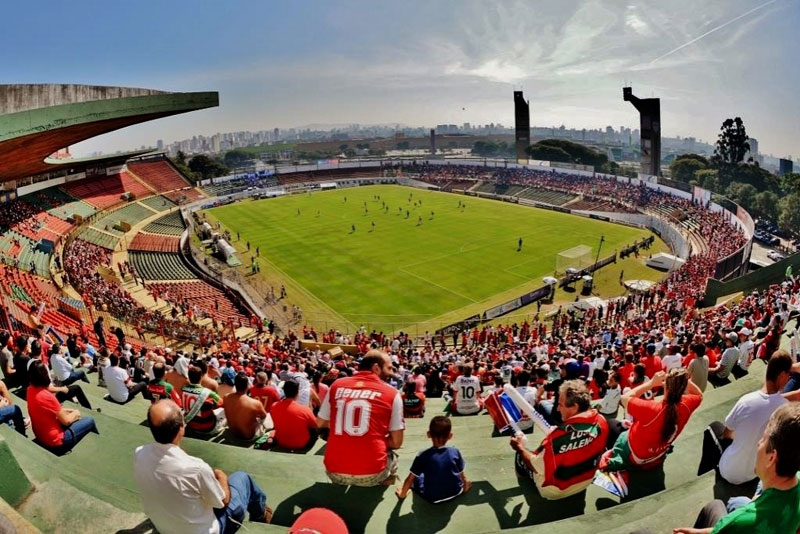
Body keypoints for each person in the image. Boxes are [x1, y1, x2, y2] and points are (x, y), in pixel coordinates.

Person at [134, 400, 272, 534]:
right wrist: (221, 476)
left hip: (164, 527)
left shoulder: (139, 453)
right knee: (243, 478)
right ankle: (261, 516)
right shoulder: (196, 468)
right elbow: (222, 501)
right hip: (208, 529)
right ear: (181, 428)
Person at [673, 403, 800, 534]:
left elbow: (727, 528)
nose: (759, 443)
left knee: (715, 506)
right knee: (738, 501)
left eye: (763, 439)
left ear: (771, 458)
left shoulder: (741, 521)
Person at [698, 350, 795, 484]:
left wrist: (742, 435)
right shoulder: (785, 409)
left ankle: (703, 473)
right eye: (789, 374)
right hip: (755, 474)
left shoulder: (746, 401)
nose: (789, 378)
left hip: (729, 472)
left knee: (713, 427)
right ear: (782, 375)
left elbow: (727, 433)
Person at [317, 350, 404, 487]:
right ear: (376, 368)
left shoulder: (336, 385)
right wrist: (372, 440)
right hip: (372, 475)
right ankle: (384, 482)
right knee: (393, 457)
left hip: (334, 472)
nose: (392, 372)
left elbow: (321, 423)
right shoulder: (392, 393)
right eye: (389, 368)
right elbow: (397, 442)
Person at [510, 380, 608, 500]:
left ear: (575, 407)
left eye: (560, 404)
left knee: (521, 455)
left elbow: (535, 465)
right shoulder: (602, 421)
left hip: (557, 491)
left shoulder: (557, 438)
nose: (557, 409)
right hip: (586, 482)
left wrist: (519, 448)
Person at [602, 369, 702, 472]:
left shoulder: (652, 409)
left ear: (665, 386)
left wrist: (651, 383)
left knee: (611, 423)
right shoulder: (687, 405)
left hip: (636, 456)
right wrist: (683, 380)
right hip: (657, 454)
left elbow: (624, 398)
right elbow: (699, 395)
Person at [27, 360, 98, 455]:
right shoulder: (48, 397)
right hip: (56, 442)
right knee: (90, 420)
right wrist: (76, 412)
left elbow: (48, 410)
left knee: (72, 416)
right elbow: (66, 421)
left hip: (40, 436)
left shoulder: (30, 390)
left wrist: (68, 410)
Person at [396, 416, 470, 503]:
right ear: (450, 436)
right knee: (454, 472)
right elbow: (462, 475)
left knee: (417, 477)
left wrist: (402, 494)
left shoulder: (423, 455)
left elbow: (410, 479)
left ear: (428, 434)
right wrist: (465, 487)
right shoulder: (455, 451)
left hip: (432, 497)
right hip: (455, 492)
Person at [269, 379, 317, 451]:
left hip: (281, 442)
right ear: (297, 393)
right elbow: (315, 425)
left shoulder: (274, 406)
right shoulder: (305, 410)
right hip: (301, 444)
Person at [181, 364, 225, 434]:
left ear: (189, 378)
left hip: (190, 425)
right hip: (208, 427)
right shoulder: (209, 393)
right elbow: (222, 404)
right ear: (201, 377)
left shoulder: (183, 389)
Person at [224, 372, 267, 441]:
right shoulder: (255, 403)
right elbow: (263, 416)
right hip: (249, 436)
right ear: (247, 386)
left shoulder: (226, 397)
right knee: (268, 417)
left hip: (233, 432)